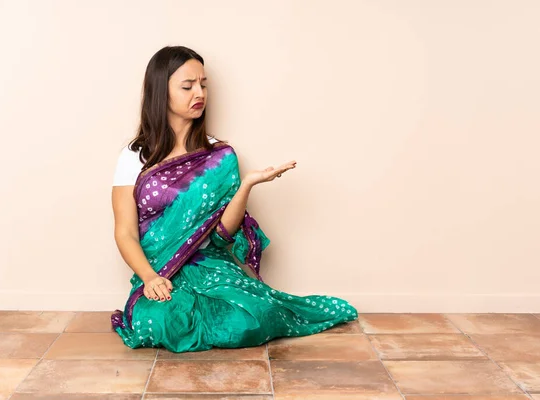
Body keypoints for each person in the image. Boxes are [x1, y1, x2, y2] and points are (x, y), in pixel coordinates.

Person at [110, 45, 358, 352]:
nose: (198, 93)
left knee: (253, 319)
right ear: (161, 91)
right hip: (160, 271)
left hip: (212, 266)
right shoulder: (134, 157)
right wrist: (150, 278)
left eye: (203, 85)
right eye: (187, 86)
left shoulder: (219, 156)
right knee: (159, 323)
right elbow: (125, 232)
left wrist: (247, 186)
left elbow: (222, 236)